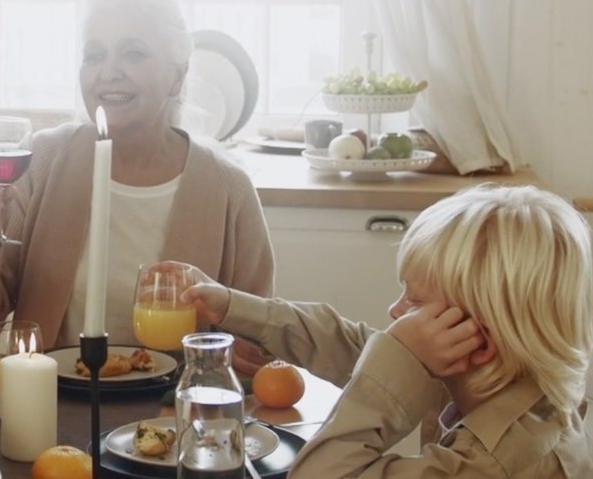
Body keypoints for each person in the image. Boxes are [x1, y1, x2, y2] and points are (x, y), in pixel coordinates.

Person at [0, 0, 274, 353]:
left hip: (170, 410)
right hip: (52, 403)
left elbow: (257, 338)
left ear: (177, 76)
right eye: (95, 55)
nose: (109, 72)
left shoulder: (228, 187)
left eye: (133, 53)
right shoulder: (43, 162)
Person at [175, 183, 592, 477]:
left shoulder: (491, 466)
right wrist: (233, 306)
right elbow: (363, 349)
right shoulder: (492, 380)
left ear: (477, 340)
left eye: (415, 302)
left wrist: (383, 381)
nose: (395, 310)